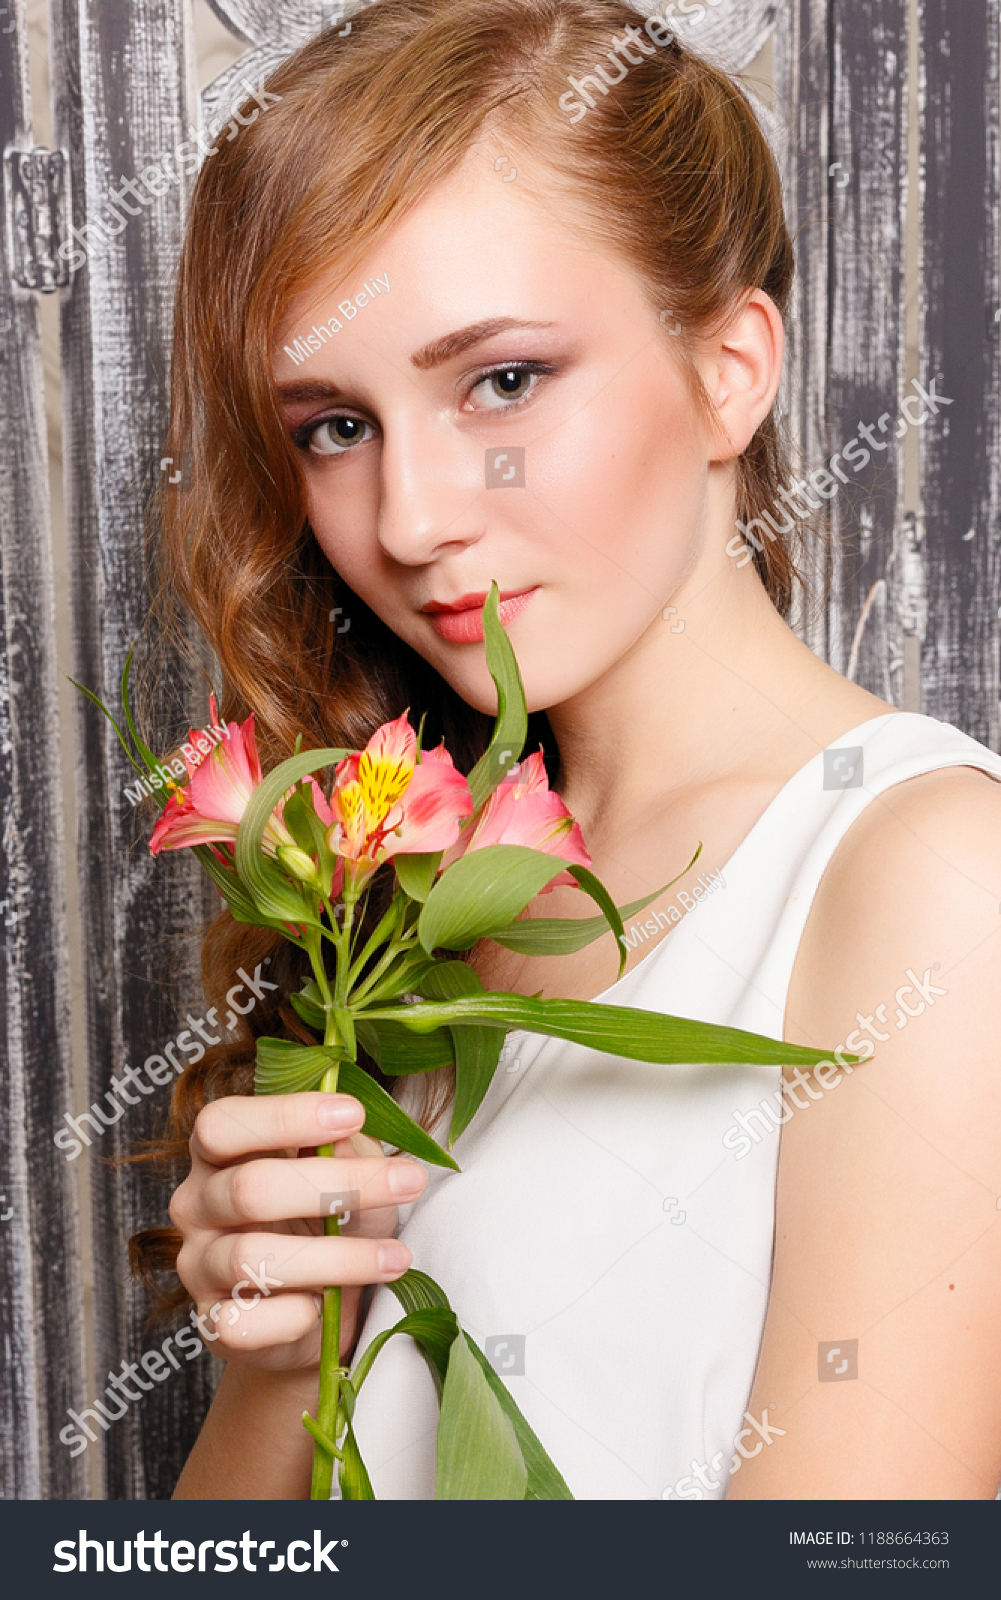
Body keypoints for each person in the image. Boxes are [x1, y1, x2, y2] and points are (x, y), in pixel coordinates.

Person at [147, 0, 1001, 1500]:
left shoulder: (928, 885)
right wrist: (279, 1364)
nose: (411, 520)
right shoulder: (395, 898)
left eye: (501, 381)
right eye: (335, 425)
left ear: (729, 369)